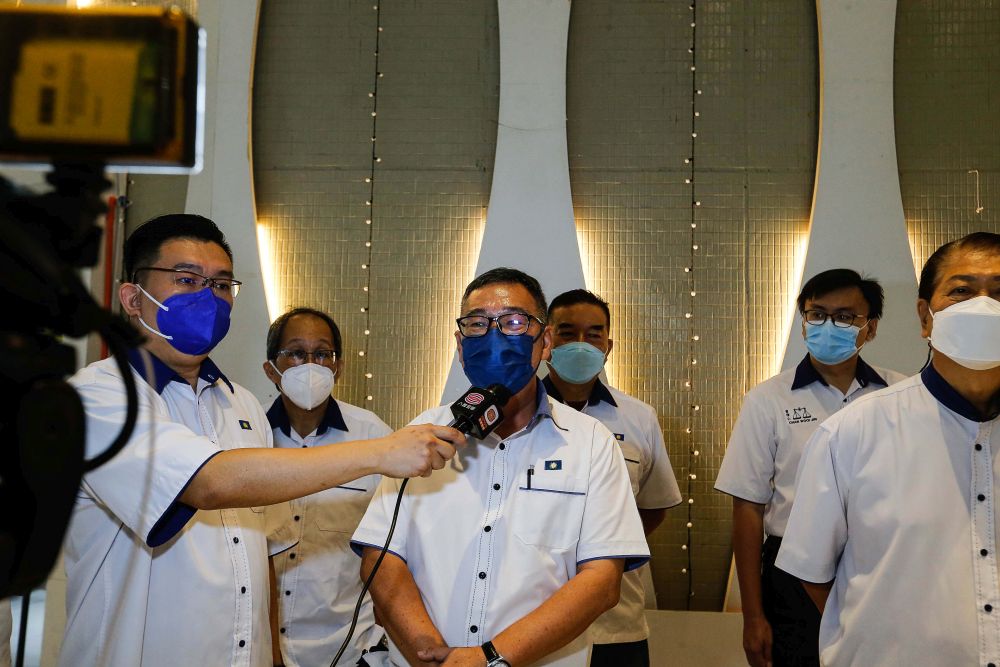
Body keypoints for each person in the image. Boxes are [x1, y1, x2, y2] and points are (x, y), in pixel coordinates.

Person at [61, 214, 464, 667]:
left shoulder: (243, 406)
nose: (207, 297)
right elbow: (208, 482)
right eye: (187, 279)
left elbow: (259, 556)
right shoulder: (96, 398)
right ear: (133, 298)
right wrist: (379, 453)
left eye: (220, 285)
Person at [351, 267, 650, 667]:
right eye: (477, 324)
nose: (494, 335)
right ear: (459, 345)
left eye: (513, 322)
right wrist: (425, 652)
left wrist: (491, 659)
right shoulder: (421, 434)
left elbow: (601, 579)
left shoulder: (591, 442)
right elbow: (382, 555)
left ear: (544, 342)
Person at [776, 233, 1000, 666]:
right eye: (962, 291)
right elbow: (815, 577)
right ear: (925, 316)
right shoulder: (851, 434)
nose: (983, 307)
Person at [714, 268, 905, 667]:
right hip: (791, 570)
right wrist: (753, 616)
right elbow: (748, 508)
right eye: (817, 314)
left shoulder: (900, 396)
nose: (828, 325)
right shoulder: (767, 399)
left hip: (881, 563)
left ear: (869, 328)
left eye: (845, 317)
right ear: (803, 323)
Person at [542, 289, 681, 667]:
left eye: (594, 334)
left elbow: (653, 508)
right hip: (530, 615)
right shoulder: (511, 416)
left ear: (609, 346)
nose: (581, 344)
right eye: (568, 333)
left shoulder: (638, 418)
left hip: (616, 619)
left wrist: (604, 552)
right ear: (545, 341)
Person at [262, 307, 392, 667]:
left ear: (338, 366)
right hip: (259, 643)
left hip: (350, 645)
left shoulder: (373, 437)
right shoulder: (247, 436)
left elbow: (393, 548)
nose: (311, 365)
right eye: (296, 353)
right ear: (271, 368)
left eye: (322, 354)